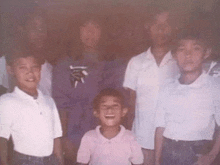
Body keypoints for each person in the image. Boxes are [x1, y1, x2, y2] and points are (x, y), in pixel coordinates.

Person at [154, 28, 220, 165]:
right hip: (168, 152)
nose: (188, 55)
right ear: (174, 55)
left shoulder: (214, 86)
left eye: (196, 49)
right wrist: (156, 161)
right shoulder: (167, 87)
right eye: (182, 49)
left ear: (206, 53)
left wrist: (211, 156)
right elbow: (160, 128)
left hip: (198, 153)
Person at [123, 7, 179, 165]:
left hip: (173, 140)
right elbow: (131, 105)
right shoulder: (136, 62)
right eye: (156, 24)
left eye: (166, 24)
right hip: (141, 140)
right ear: (148, 28)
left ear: (173, 28)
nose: (161, 30)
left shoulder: (180, 62)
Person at [0, 46, 63, 165]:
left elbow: (56, 137)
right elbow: (2, 140)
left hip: (51, 160)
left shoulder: (49, 101)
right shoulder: (6, 101)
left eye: (34, 67)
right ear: (11, 70)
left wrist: (59, 161)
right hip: (25, 161)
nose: (30, 72)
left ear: (40, 70)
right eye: (22, 68)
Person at [76, 88, 143, 165]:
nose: (110, 110)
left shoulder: (131, 137)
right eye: (104, 106)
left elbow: (138, 163)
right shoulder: (89, 137)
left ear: (123, 111)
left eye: (115, 106)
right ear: (96, 112)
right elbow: (81, 163)